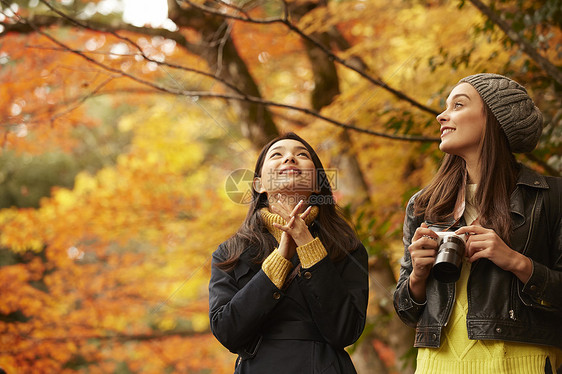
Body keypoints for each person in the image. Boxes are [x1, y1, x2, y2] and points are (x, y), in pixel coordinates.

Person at [393, 73, 562, 373]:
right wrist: (418, 274)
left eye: (458, 104)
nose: (442, 116)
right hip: (438, 364)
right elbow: (406, 311)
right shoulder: (423, 205)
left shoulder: (551, 198)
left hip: (521, 362)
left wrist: (514, 261)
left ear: (495, 119)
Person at [209, 132, 369, 373]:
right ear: (259, 185)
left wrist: (307, 244)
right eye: (277, 154)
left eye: (301, 155)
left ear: (316, 184)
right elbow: (227, 331)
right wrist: (280, 259)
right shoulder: (231, 252)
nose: (290, 159)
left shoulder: (346, 247)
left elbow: (346, 331)